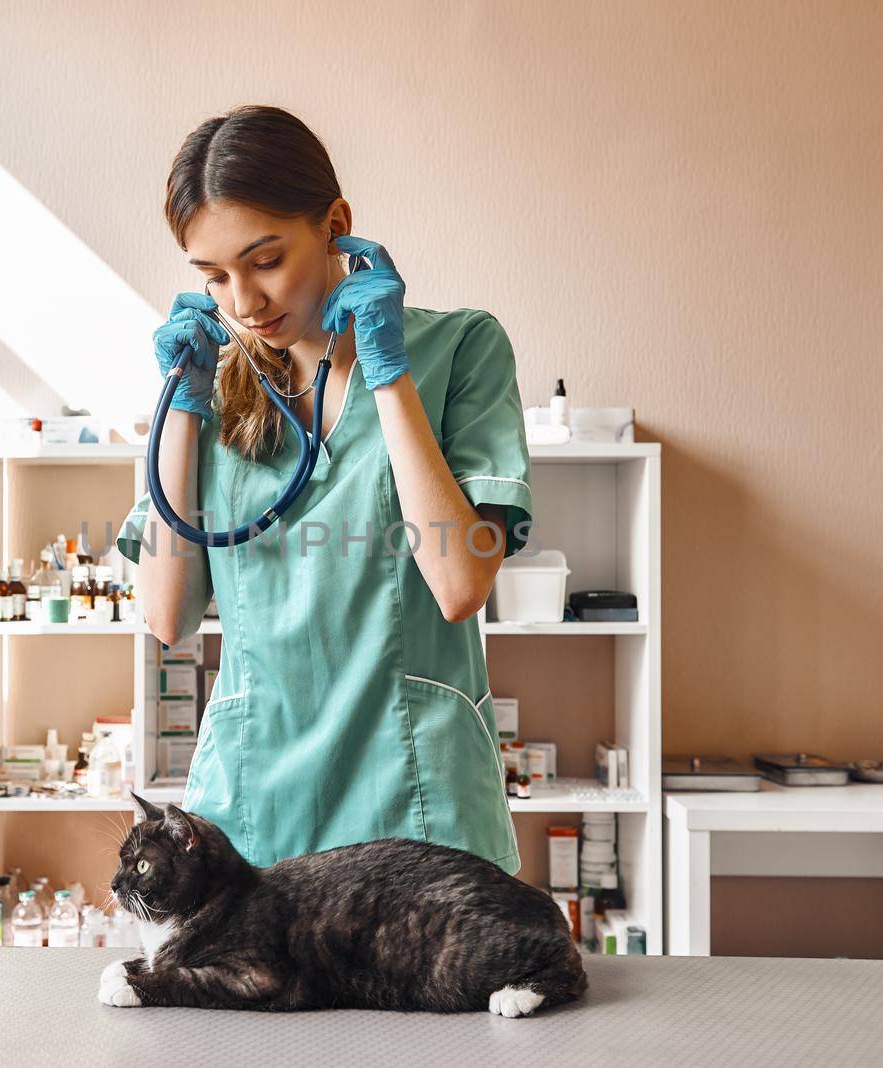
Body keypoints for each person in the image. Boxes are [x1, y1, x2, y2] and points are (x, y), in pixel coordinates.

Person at [117, 104, 533, 874]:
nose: (243, 302)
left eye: (265, 260)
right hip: (254, 810)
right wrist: (179, 407)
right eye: (214, 277)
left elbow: (460, 582)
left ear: (336, 223)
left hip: (418, 806)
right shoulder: (208, 385)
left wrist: (387, 371)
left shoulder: (462, 348)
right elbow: (167, 615)